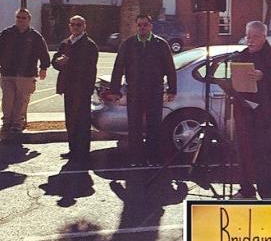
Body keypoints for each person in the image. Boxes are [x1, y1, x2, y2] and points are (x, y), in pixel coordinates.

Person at [107, 14, 177, 166]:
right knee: (134, 127)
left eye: (145, 24)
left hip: (155, 91)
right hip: (134, 92)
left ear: (151, 26)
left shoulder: (161, 44)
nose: (142, 27)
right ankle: (136, 159)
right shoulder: (128, 44)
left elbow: (170, 68)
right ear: (136, 26)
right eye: (139, 25)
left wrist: (172, 90)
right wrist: (115, 90)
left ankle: (153, 158)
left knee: (154, 126)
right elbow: (118, 67)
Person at [231, 20, 271, 199]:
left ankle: (267, 192)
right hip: (243, 112)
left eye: (254, 37)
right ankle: (246, 189)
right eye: (248, 36)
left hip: (263, 114)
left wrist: (263, 76)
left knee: (262, 154)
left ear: (263, 37)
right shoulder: (241, 56)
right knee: (243, 153)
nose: (250, 40)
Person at [51, 15, 98, 163]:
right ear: (69, 26)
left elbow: (90, 68)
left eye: (79, 25)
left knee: (82, 121)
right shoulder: (66, 42)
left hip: (82, 89)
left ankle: (83, 152)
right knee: (70, 120)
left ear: (84, 26)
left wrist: (69, 62)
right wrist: (58, 62)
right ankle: (73, 149)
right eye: (73, 24)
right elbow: (55, 60)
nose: (75, 27)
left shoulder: (89, 45)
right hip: (68, 88)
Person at [0, 8, 50, 133]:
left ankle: (18, 123)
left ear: (29, 20)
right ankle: (6, 122)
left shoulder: (35, 36)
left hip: (27, 74)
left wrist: (43, 68)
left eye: (23, 18)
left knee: (22, 100)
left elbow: (43, 52)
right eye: (18, 17)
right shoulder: (6, 33)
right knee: (7, 99)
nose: (21, 20)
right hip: (7, 73)